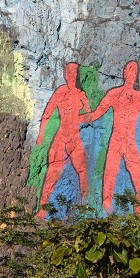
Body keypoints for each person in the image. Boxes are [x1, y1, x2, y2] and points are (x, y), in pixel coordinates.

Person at [81, 60, 140, 211]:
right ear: (124, 73)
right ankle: (106, 206)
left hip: (130, 141)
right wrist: (79, 119)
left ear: (136, 75)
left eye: (134, 70)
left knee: (138, 177)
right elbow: (97, 113)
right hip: (116, 139)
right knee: (109, 174)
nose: (131, 73)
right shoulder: (114, 94)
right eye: (129, 69)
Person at [36, 62, 92, 216]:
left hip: (74, 137)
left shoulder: (81, 95)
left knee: (82, 171)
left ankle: (84, 206)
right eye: (69, 71)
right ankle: (42, 211)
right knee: (52, 172)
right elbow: (47, 113)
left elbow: (89, 116)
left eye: (74, 72)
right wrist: (41, 134)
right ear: (65, 74)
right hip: (60, 137)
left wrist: (82, 115)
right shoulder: (60, 92)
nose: (72, 75)